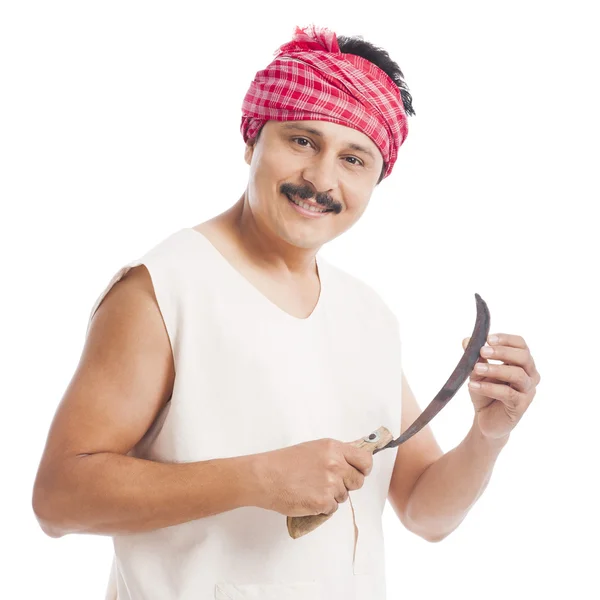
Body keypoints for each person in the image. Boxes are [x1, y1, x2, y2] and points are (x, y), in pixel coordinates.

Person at [31, 24, 541, 600]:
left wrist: (487, 435)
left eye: (354, 158)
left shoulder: (367, 315)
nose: (321, 180)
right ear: (252, 140)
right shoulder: (165, 289)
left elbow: (426, 512)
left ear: (376, 180)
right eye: (302, 141)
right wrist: (257, 479)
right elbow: (58, 499)